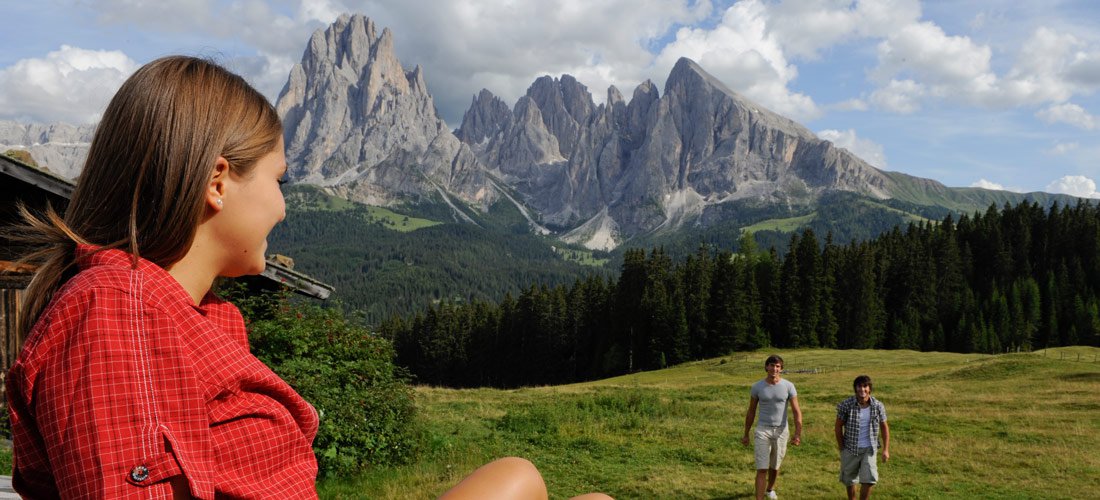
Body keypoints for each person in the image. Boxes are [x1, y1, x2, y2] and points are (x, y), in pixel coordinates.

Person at [6, 55, 611, 500]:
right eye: (279, 179)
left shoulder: (193, 313)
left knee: (519, 476)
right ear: (217, 182)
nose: (284, 206)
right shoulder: (114, 310)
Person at [741, 354, 802, 500]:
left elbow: (796, 411)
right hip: (763, 429)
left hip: (781, 430)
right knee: (762, 468)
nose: (774, 368)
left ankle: (770, 489)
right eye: (771, 365)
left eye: (777, 366)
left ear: (781, 369)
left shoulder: (789, 386)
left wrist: (797, 433)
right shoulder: (757, 387)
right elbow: (751, 411)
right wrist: (746, 434)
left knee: (775, 466)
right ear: (766, 367)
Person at [834, 375, 890, 500]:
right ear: (855, 388)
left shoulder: (878, 406)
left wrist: (886, 449)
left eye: (865, 386)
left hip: (869, 449)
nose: (862, 389)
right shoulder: (846, 405)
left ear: (869, 388)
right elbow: (838, 427)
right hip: (850, 448)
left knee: (869, 479)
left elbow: (884, 427)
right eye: (859, 386)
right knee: (849, 479)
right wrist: (842, 447)